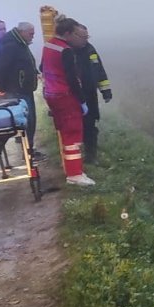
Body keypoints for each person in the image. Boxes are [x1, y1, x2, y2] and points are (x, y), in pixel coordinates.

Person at [41, 17, 94, 186]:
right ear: (68, 33)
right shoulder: (66, 51)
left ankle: (73, 170)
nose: (76, 38)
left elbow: (43, 67)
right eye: (75, 33)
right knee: (72, 135)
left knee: (65, 134)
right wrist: (82, 100)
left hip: (51, 95)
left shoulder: (49, 45)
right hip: (65, 96)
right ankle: (75, 174)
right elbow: (72, 79)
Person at [0, 22, 46, 161]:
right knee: (27, 121)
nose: (33, 36)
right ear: (22, 32)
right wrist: (2, 87)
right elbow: (3, 67)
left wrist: (35, 72)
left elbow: (25, 62)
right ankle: (28, 152)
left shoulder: (20, 43)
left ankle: (29, 149)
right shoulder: (12, 46)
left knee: (30, 120)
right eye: (31, 33)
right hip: (18, 90)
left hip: (25, 88)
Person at [74, 25, 112, 164]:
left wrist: (106, 91)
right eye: (83, 37)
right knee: (77, 127)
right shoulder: (67, 51)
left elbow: (99, 70)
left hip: (90, 95)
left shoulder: (90, 49)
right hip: (74, 96)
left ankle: (91, 156)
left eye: (87, 37)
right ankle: (75, 158)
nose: (85, 40)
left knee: (90, 126)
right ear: (74, 36)